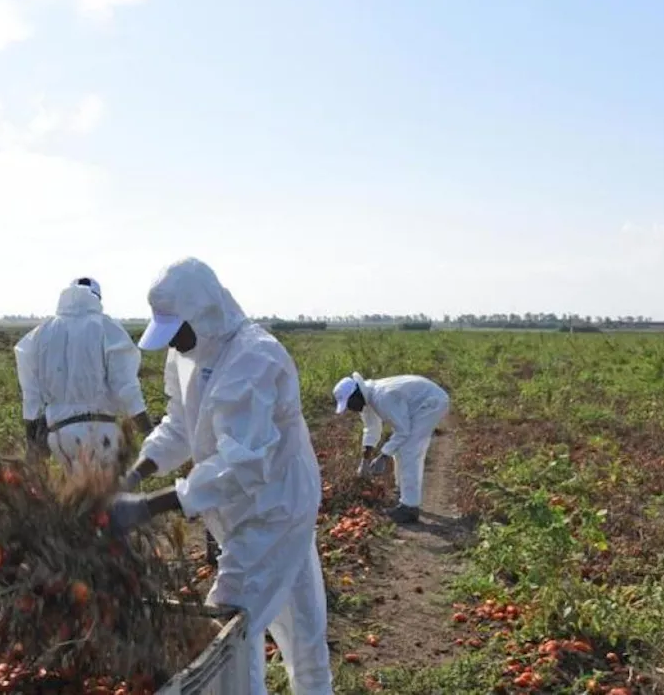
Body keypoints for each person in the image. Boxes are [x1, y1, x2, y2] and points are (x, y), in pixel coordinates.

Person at [109, 257, 333, 695]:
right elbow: (180, 424)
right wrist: (135, 475)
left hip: (274, 507)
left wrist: (150, 505)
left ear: (205, 312)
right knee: (301, 623)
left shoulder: (255, 357)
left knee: (229, 627)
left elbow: (242, 465)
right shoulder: (187, 353)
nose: (174, 340)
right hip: (248, 508)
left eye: (179, 329)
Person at [14, 278, 153, 471]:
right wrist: (149, 432)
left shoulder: (40, 333)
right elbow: (126, 388)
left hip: (59, 435)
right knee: (113, 497)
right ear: (97, 299)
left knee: (80, 498)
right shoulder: (106, 327)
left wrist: (33, 447)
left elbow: (31, 397)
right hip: (100, 433)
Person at [332, 372, 451, 524]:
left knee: (409, 450)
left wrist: (383, 456)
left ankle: (409, 507)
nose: (351, 409)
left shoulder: (383, 397)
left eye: (350, 404)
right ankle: (402, 491)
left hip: (430, 403)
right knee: (402, 448)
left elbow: (403, 430)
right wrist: (365, 461)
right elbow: (371, 429)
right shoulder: (367, 400)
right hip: (421, 403)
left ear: (356, 394)